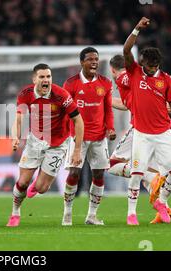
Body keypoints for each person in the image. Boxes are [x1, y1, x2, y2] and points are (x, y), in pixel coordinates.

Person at [123, 17, 171, 225]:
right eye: (148, 65)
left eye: (155, 66)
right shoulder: (134, 72)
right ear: (142, 62)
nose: (151, 69)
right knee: (136, 173)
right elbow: (126, 51)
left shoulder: (167, 79)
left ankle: (161, 202)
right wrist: (136, 29)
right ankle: (131, 214)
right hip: (142, 134)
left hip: (163, 133)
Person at [6, 63, 84, 227]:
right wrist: (15, 137)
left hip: (58, 145)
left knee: (41, 188)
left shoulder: (61, 95)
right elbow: (18, 118)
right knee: (22, 182)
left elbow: (78, 120)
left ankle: (38, 182)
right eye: (42, 77)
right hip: (35, 142)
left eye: (48, 76)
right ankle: (15, 212)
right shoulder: (25, 94)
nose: (46, 80)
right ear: (34, 79)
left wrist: (77, 150)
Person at [108, 54, 171, 224]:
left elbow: (128, 103)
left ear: (112, 70)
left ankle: (152, 181)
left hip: (140, 128)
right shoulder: (143, 77)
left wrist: (102, 98)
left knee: (113, 165)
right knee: (148, 171)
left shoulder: (124, 77)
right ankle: (163, 209)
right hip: (157, 130)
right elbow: (129, 102)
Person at [60, 47, 115, 226]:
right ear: (82, 62)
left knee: (98, 175)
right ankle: (67, 213)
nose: (94, 62)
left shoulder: (105, 83)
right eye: (90, 59)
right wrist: (68, 134)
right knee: (74, 172)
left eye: (96, 59)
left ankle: (91, 216)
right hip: (77, 137)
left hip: (99, 137)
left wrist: (111, 128)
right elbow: (66, 112)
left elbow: (108, 109)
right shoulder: (71, 84)